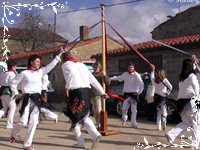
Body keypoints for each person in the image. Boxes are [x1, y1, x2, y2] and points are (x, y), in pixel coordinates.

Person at [9, 51, 63, 150]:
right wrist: (16, 93)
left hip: (36, 99)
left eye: (39, 62)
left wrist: (59, 54)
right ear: (31, 62)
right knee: (23, 122)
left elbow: (51, 66)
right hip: (26, 99)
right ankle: (13, 133)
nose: (38, 63)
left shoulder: (41, 72)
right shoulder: (24, 73)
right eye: (37, 62)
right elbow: (13, 83)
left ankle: (27, 144)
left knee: (33, 122)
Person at [61, 51, 107, 149]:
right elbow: (92, 79)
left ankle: (81, 143)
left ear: (63, 59)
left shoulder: (65, 65)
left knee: (75, 118)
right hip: (87, 92)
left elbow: (70, 76)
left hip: (76, 92)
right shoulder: (82, 65)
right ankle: (95, 135)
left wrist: (67, 89)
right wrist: (102, 92)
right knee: (84, 115)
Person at [165, 58, 199, 149]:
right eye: (194, 64)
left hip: (181, 103)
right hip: (190, 102)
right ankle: (194, 143)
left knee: (185, 122)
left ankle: (171, 134)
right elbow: (197, 89)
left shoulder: (182, 77)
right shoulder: (192, 76)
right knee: (196, 124)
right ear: (191, 66)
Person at [110, 62, 144, 128]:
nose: (130, 68)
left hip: (134, 94)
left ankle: (134, 123)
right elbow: (118, 78)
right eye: (129, 67)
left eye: (131, 67)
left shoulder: (137, 75)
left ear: (134, 68)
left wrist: (139, 92)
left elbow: (141, 84)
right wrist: (110, 78)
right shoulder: (125, 74)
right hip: (127, 94)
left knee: (134, 110)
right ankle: (124, 119)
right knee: (124, 108)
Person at [150, 65, 172, 131]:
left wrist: (152, 70)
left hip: (156, 97)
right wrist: (167, 93)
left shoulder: (154, 80)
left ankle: (158, 127)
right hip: (163, 97)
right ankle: (164, 121)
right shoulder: (164, 80)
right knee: (164, 112)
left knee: (158, 112)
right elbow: (170, 87)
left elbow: (151, 76)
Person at [91, 62, 110, 129]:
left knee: (98, 110)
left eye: (96, 67)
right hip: (92, 95)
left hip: (99, 95)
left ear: (99, 67)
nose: (95, 68)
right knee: (95, 111)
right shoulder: (92, 74)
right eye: (94, 67)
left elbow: (108, 82)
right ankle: (98, 124)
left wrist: (105, 76)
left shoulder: (102, 74)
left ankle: (100, 124)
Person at [0, 60, 17, 129]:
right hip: (8, 92)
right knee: (12, 108)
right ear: (13, 67)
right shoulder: (12, 74)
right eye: (15, 67)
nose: (16, 68)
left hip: (1, 91)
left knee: (4, 108)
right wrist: (16, 93)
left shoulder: (3, 73)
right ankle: (9, 124)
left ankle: (9, 124)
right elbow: (13, 84)